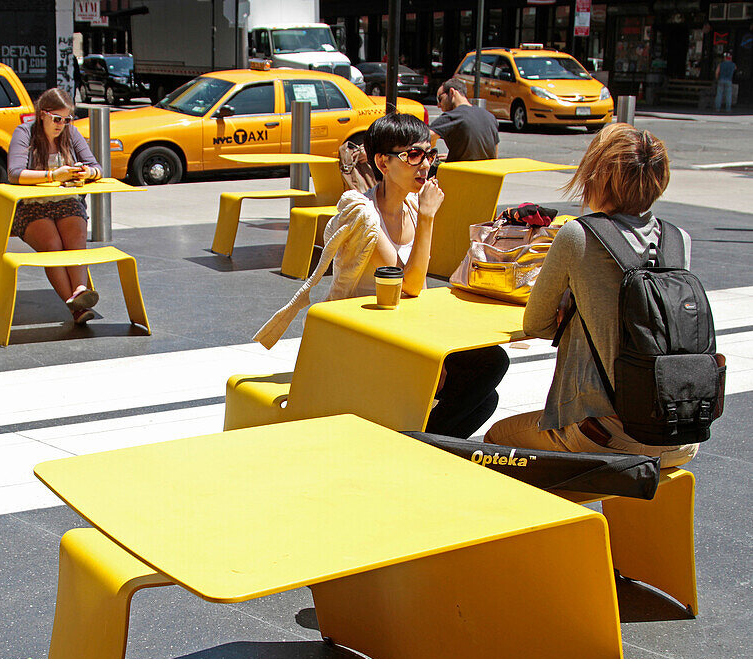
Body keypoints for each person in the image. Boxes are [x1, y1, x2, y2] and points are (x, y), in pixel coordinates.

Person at [254, 113, 507, 438]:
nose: (425, 165)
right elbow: (411, 285)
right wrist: (429, 218)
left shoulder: (413, 208)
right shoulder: (364, 215)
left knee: (487, 387)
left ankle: (420, 443)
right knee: (487, 371)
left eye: (430, 155)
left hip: (397, 332)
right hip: (360, 339)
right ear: (383, 163)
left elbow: (420, 290)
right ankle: (412, 444)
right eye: (413, 155)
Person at [485, 124, 698, 468]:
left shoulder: (579, 235)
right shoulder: (678, 240)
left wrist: (574, 310)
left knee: (497, 443)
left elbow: (536, 322)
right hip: (681, 433)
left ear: (598, 177)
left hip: (605, 433)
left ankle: (553, 521)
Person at [7, 88, 103, 325]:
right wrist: (53, 175)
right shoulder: (24, 133)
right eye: (57, 119)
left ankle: (80, 292)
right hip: (31, 206)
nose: (62, 125)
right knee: (52, 245)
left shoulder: (71, 133)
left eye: (67, 119)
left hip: (66, 201)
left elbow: (97, 167)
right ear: (42, 114)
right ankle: (76, 307)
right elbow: (15, 173)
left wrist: (87, 172)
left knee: (76, 239)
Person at [430, 77, 499, 162]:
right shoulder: (490, 117)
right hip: (487, 173)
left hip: (461, 173)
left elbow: (425, 137)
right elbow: (494, 156)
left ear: (452, 92)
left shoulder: (453, 116)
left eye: (440, 99)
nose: (438, 105)